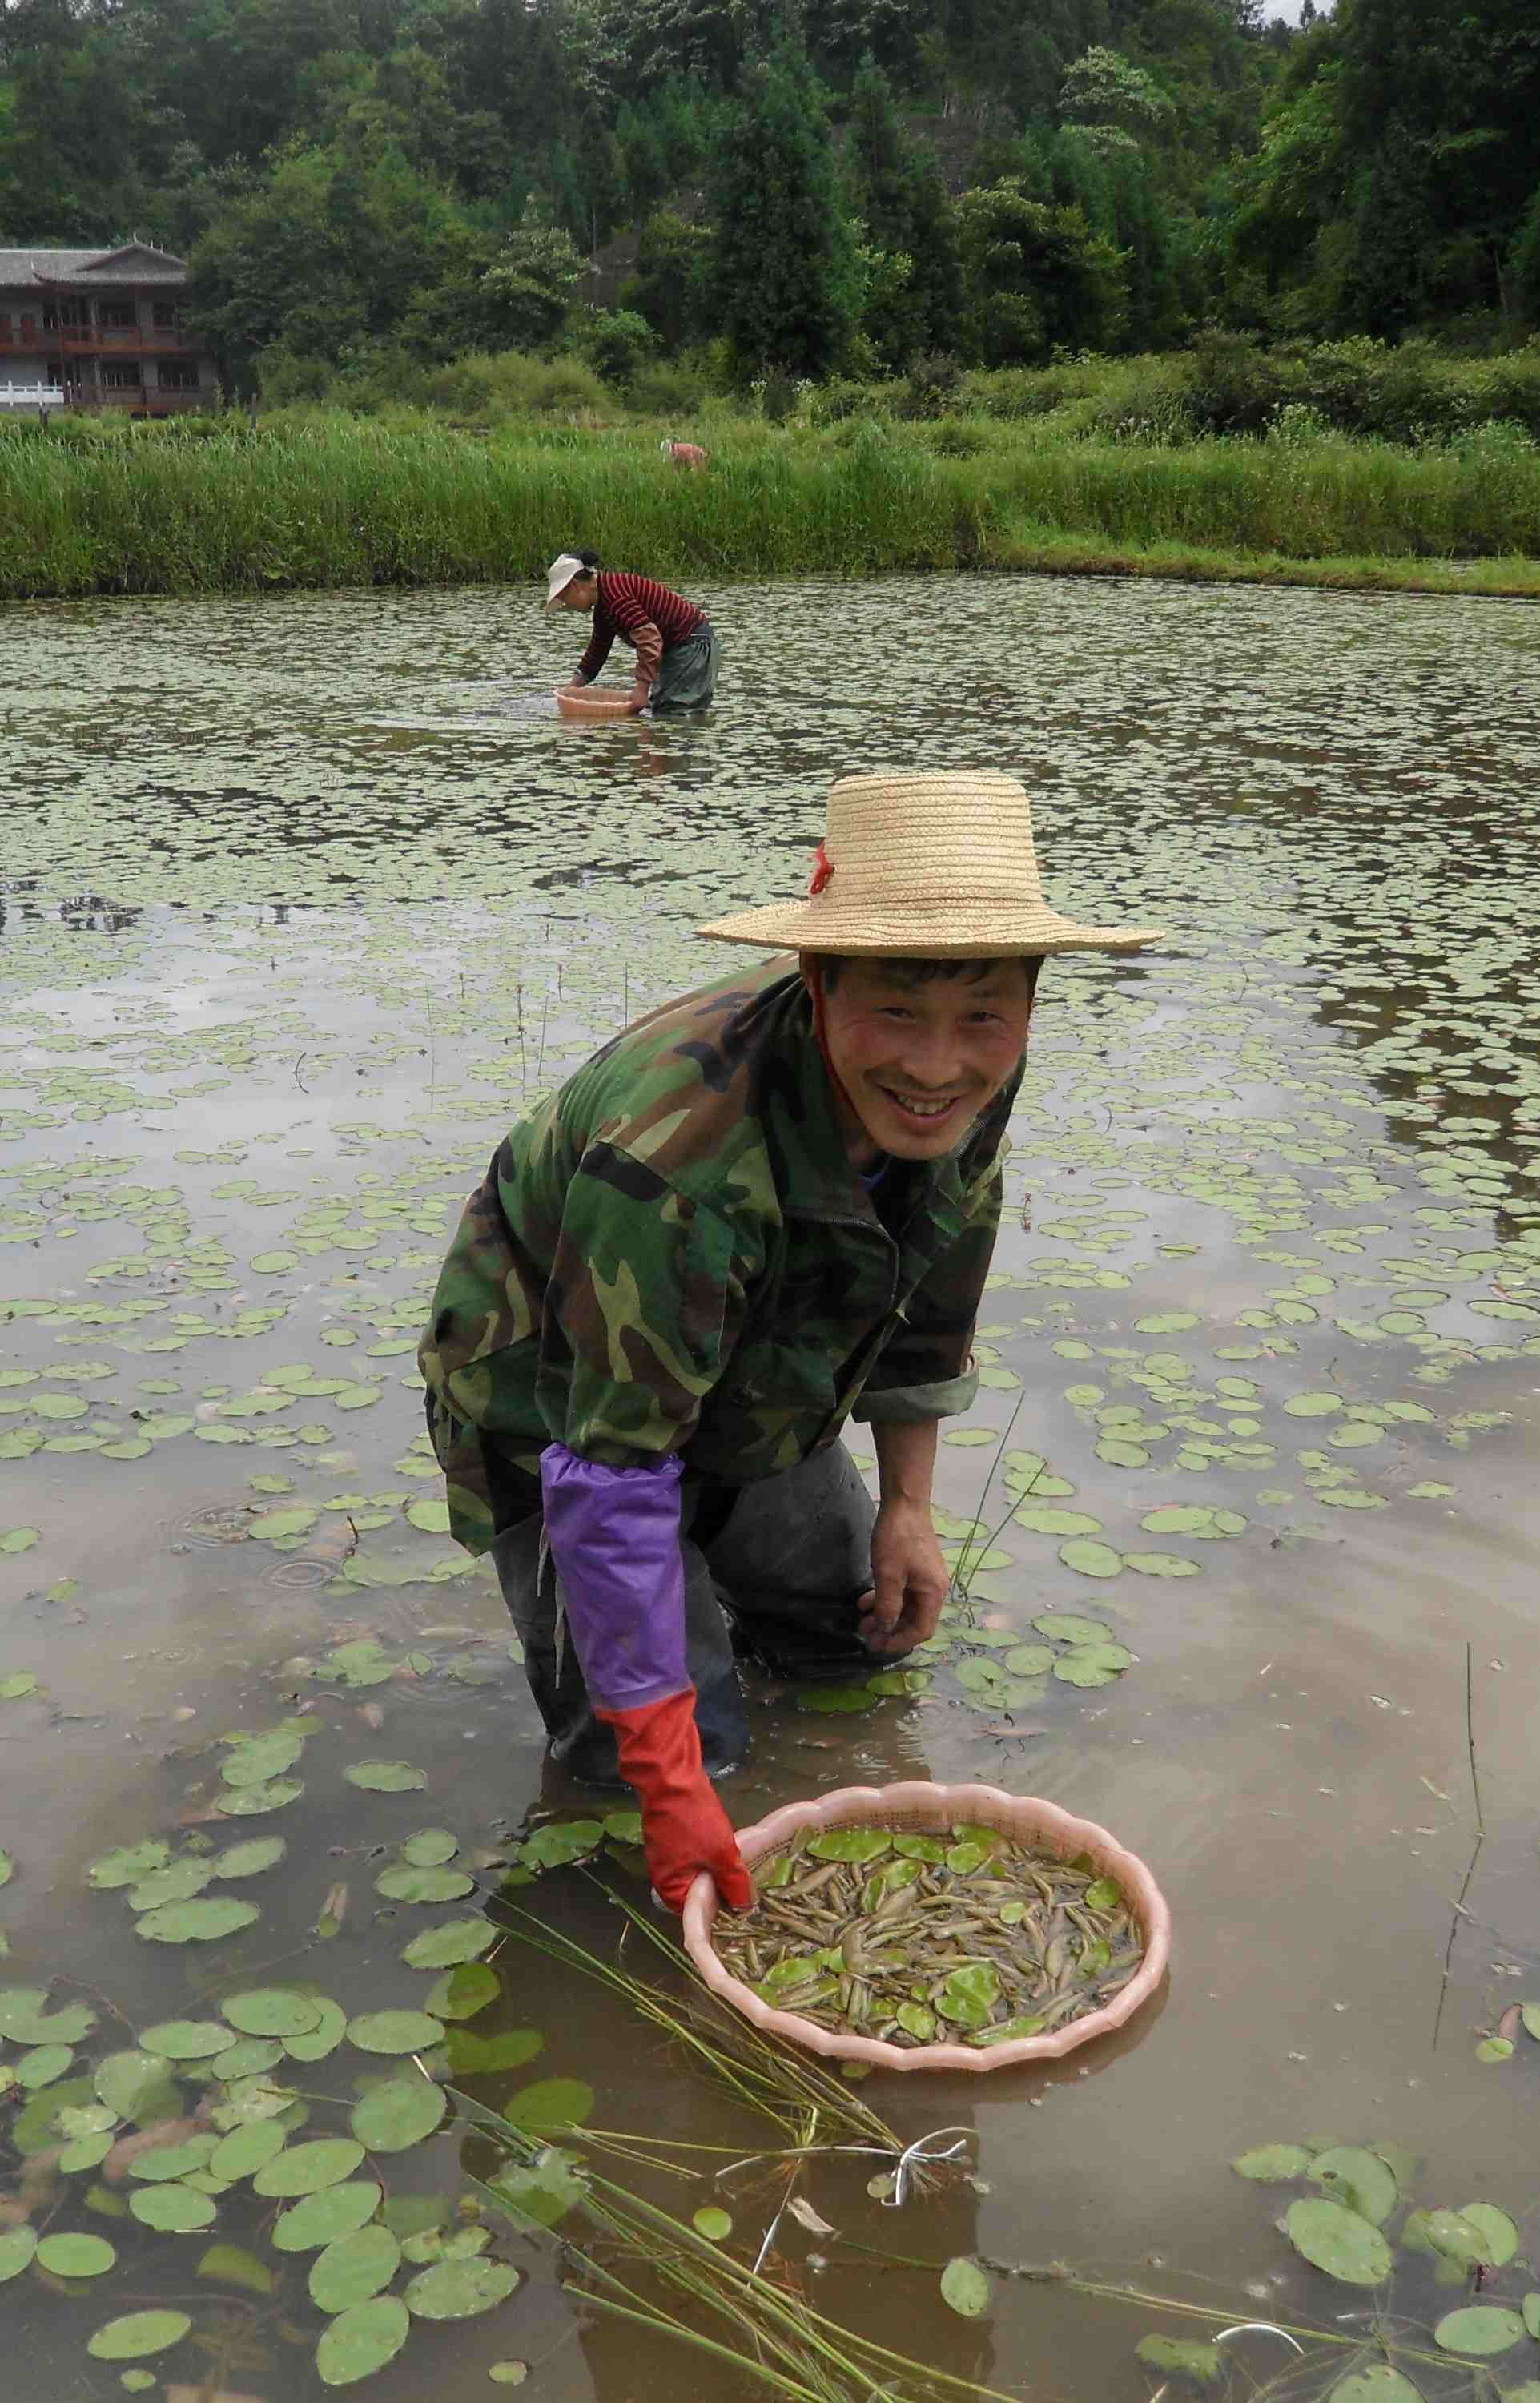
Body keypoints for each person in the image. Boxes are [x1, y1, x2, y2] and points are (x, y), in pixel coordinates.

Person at [418, 769, 1159, 1911]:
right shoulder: (676, 1165)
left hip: (759, 1360)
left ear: (1028, 997)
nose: (934, 1065)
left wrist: (910, 1508)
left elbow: (934, 1296)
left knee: (852, 1651)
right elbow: (609, 1472)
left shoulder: (967, 1081)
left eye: (982, 1016)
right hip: (558, 1401)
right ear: (817, 981)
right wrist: (671, 1782)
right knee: (644, 1778)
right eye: (897, 1013)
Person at [545, 549, 718, 714]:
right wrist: (570, 691)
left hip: (692, 646)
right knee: (662, 710)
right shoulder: (604, 604)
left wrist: (641, 690)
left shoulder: (615, 597)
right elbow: (597, 652)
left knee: (677, 713)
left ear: (575, 586)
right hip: (678, 649)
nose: (566, 605)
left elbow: (650, 640)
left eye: (564, 599)